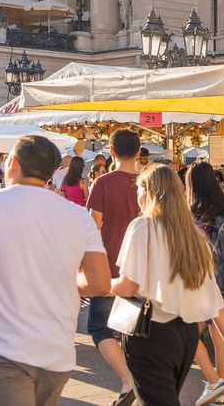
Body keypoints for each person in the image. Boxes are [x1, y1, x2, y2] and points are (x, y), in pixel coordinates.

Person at [0, 135, 110, 406]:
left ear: (12, 163)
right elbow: (99, 282)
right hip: (56, 351)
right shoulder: (78, 216)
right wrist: (62, 278)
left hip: (1, 347)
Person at [113, 165, 224, 406]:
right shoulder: (194, 236)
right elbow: (215, 302)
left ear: (148, 192)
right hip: (184, 336)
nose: (137, 196)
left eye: (138, 189)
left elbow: (128, 286)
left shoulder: (142, 227)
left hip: (151, 331)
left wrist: (91, 284)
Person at [83, 129, 142, 405]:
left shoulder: (103, 183)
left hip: (110, 267)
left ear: (111, 150)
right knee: (136, 331)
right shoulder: (149, 183)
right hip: (144, 269)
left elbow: (92, 225)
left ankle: (127, 379)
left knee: (100, 328)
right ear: (139, 152)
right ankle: (140, 383)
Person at [183, 161, 224, 405]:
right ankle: (220, 382)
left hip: (203, 279)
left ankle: (215, 382)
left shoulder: (193, 212)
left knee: (188, 330)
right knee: (221, 331)